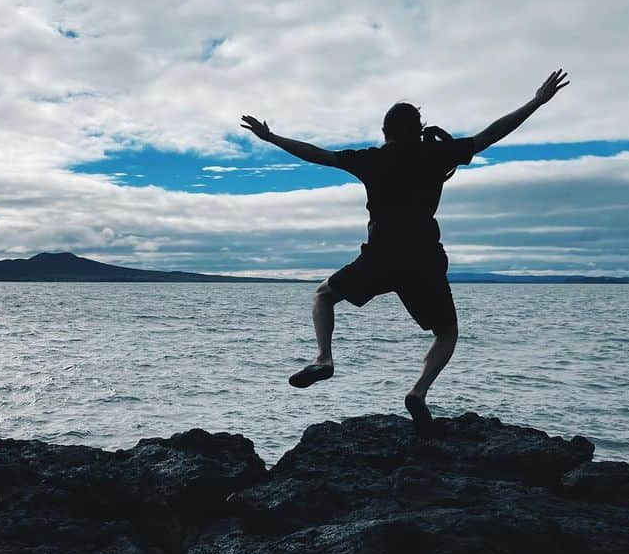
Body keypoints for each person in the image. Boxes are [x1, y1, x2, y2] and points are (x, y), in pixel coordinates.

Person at [240, 69, 569, 431]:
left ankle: (324, 358)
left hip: (381, 253)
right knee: (447, 333)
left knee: (323, 296)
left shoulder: (372, 159)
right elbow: (490, 135)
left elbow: (318, 155)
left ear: (385, 133)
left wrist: (271, 138)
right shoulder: (438, 154)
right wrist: (536, 102)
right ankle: (418, 392)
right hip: (424, 257)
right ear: (418, 128)